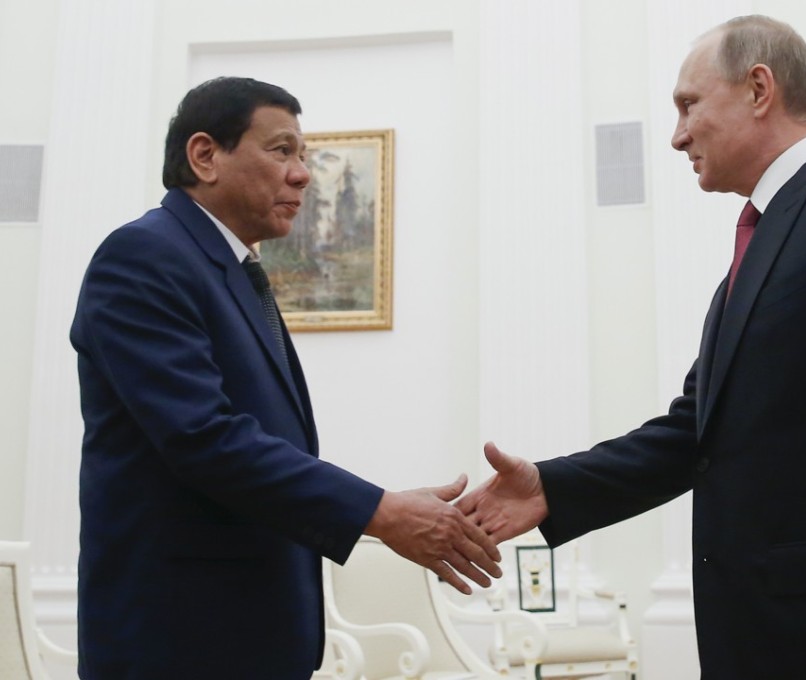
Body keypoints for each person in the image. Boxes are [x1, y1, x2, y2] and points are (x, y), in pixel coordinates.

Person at [457, 15, 806, 680]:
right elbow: (696, 432)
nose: (677, 134)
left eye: (689, 104)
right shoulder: (765, 243)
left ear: (759, 88)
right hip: (773, 645)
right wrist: (552, 488)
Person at [70, 76, 500, 680]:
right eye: (281, 151)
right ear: (205, 155)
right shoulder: (143, 256)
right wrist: (382, 513)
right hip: (178, 639)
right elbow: (204, 437)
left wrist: (384, 510)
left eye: (304, 155)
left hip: (249, 637)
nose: (302, 175)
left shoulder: (229, 266)